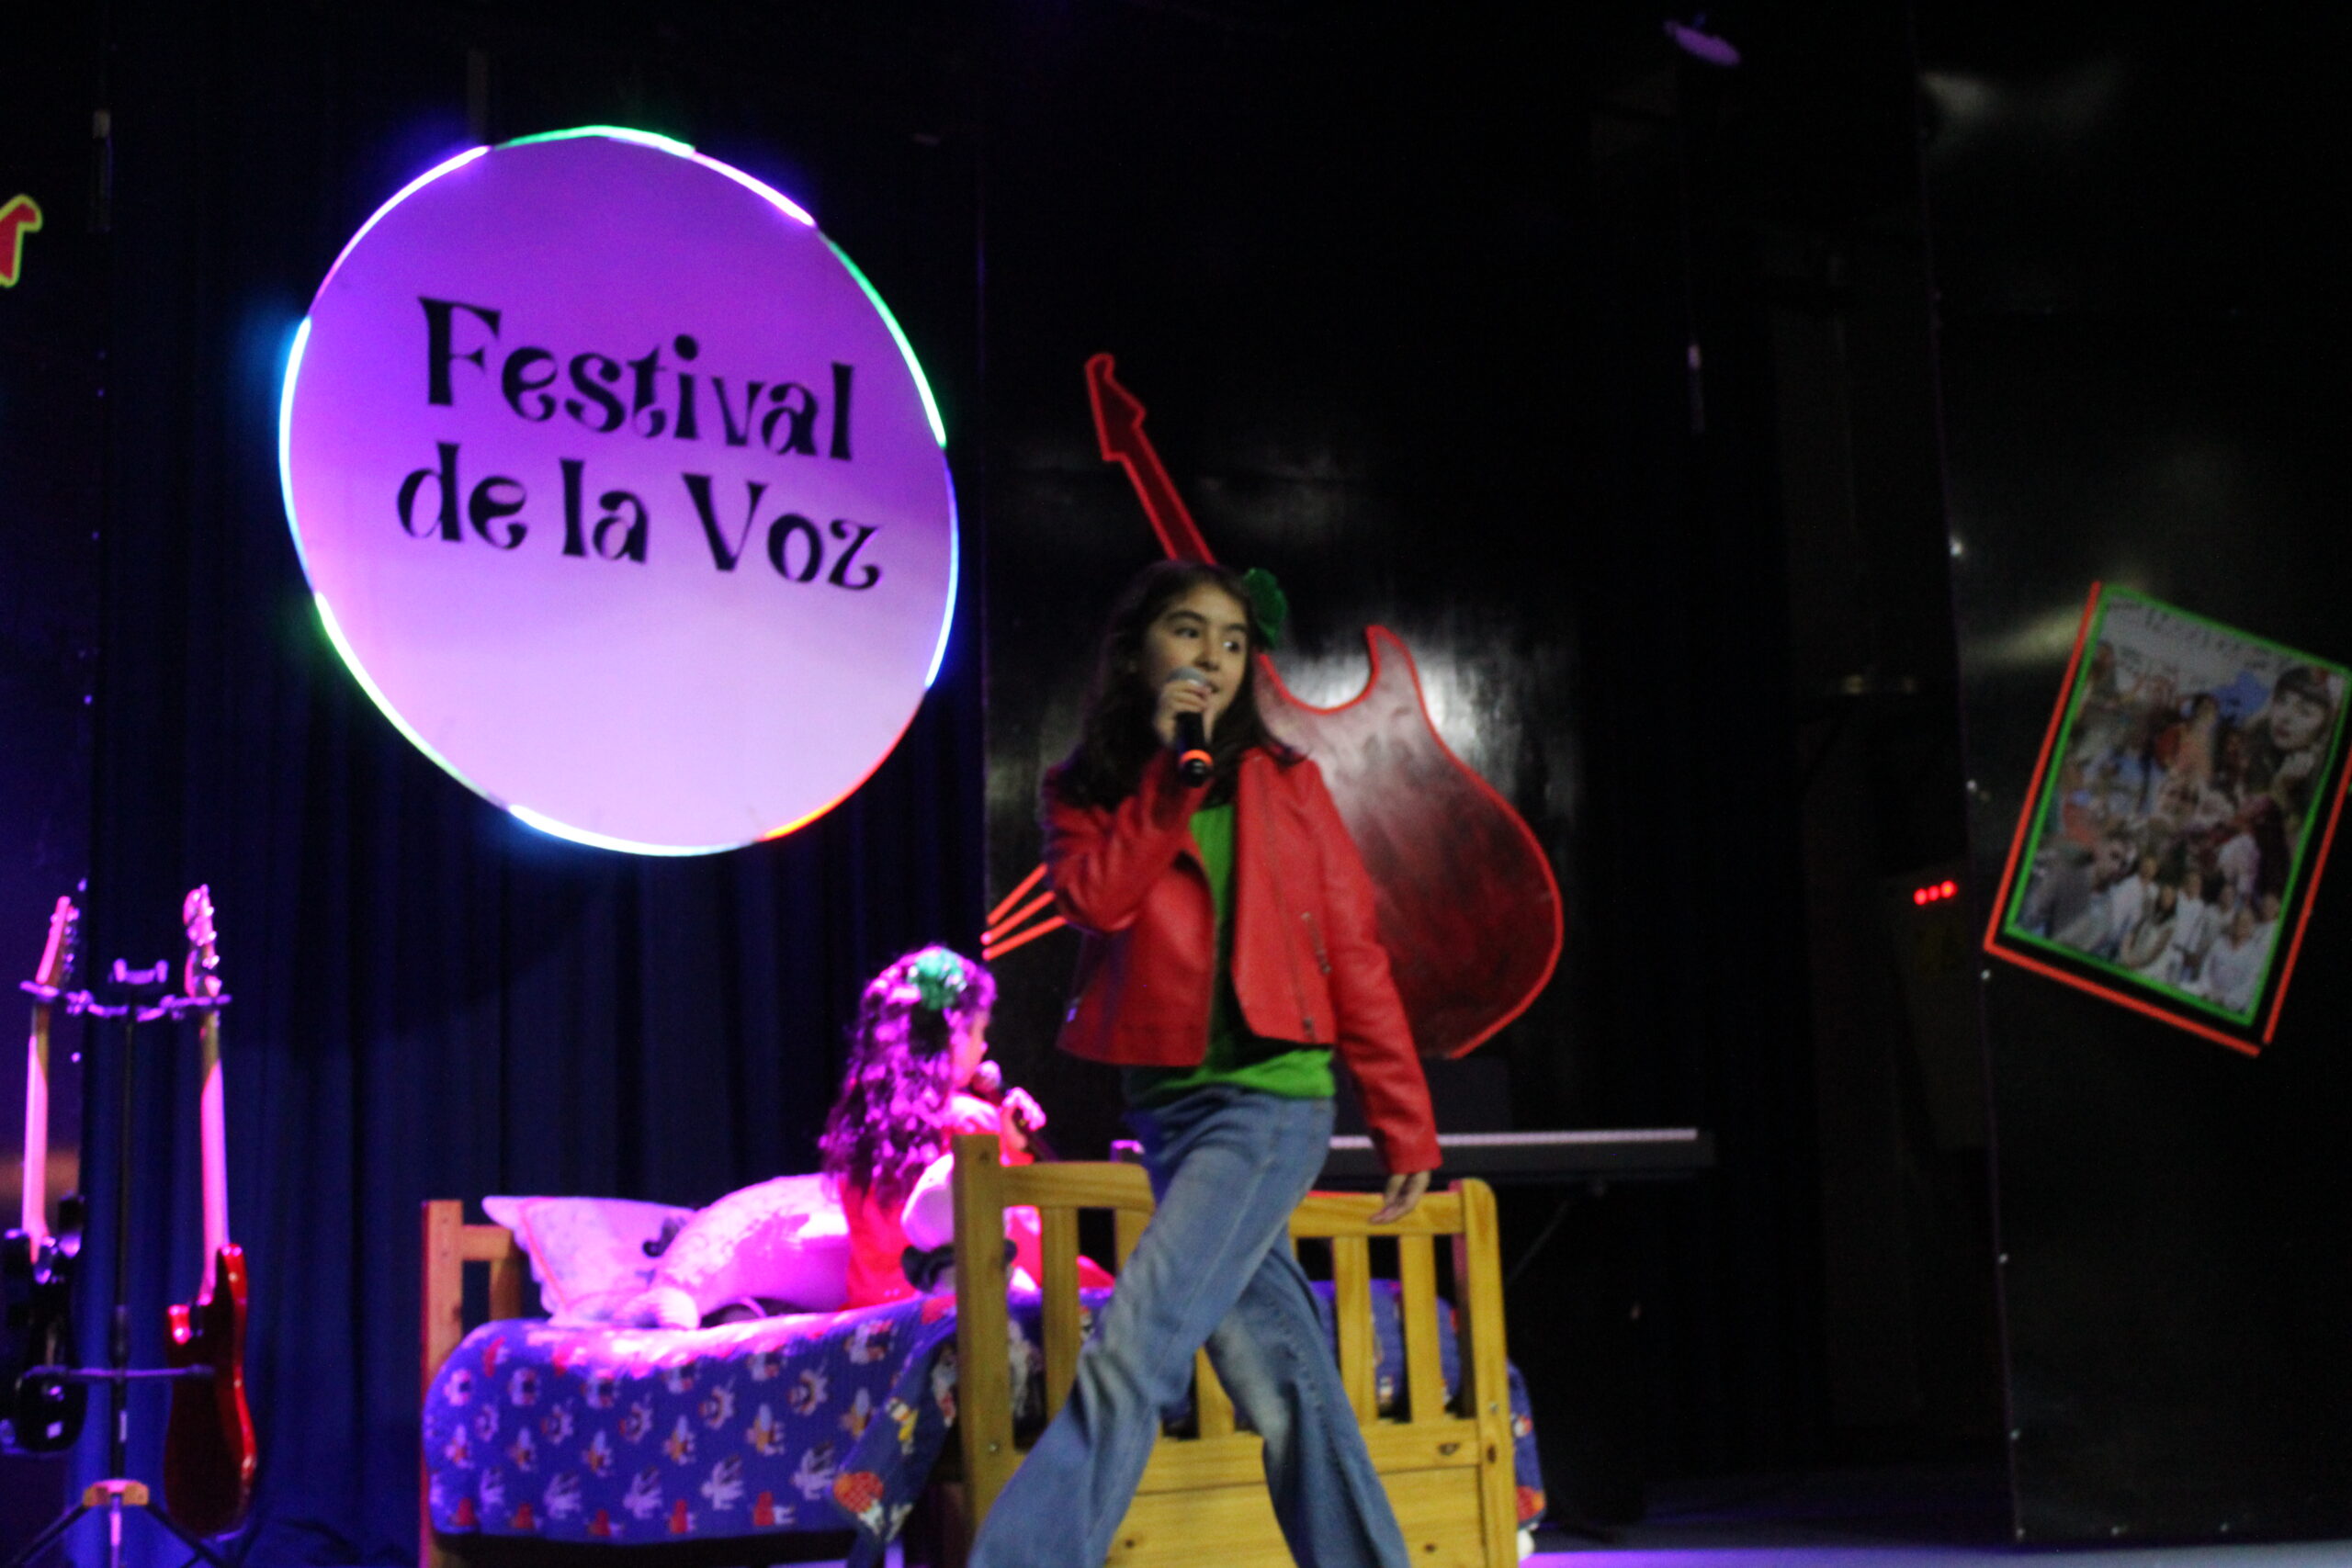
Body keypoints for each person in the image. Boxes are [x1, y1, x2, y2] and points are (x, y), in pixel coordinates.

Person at [967, 561, 1442, 1568]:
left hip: (1271, 1101)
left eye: (1232, 641)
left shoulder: (1288, 782)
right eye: (1189, 631)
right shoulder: (1085, 791)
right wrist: (1167, 782)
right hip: (1170, 1109)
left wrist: (1403, 1119)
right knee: (1285, 1385)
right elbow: (1097, 901)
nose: (1213, 657)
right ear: (1138, 650)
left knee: (1132, 1349)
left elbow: (1353, 951)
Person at [818, 946, 1055, 1309]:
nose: (984, 1047)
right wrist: (1016, 1152)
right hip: (955, 1319)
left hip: (872, 1322)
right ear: (955, 1033)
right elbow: (1025, 1254)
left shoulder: (858, 1120)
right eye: (979, 1031)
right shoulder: (970, 1120)